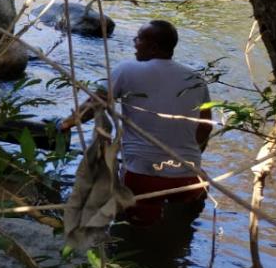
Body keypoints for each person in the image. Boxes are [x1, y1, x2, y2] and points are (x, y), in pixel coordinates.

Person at [59, 20, 212, 226]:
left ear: (153, 47)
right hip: (186, 178)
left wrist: (65, 124)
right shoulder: (196, 79)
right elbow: (204, 127)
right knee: (189, 210)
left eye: (138, 39)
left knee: (135, 229)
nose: (134, 43)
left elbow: (94, 105)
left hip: (142, 176)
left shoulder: (127, 69)